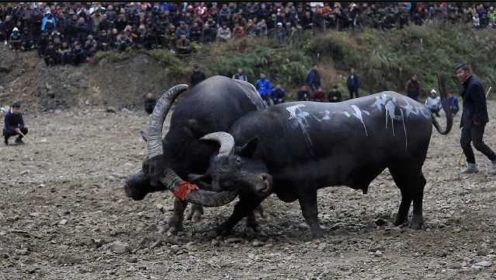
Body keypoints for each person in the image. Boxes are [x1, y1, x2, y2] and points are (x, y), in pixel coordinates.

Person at [455, 63, 496, 174]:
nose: (458, 75)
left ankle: (494, 159)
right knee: (464, 142)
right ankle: (472, 165)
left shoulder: (474, 84)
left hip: (477, 119)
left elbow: (481, 104)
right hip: (468, 119)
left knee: (477, 143)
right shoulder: (467, 83)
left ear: (467, 72)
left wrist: (477, 120)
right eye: (457, 73)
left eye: (460, 72)